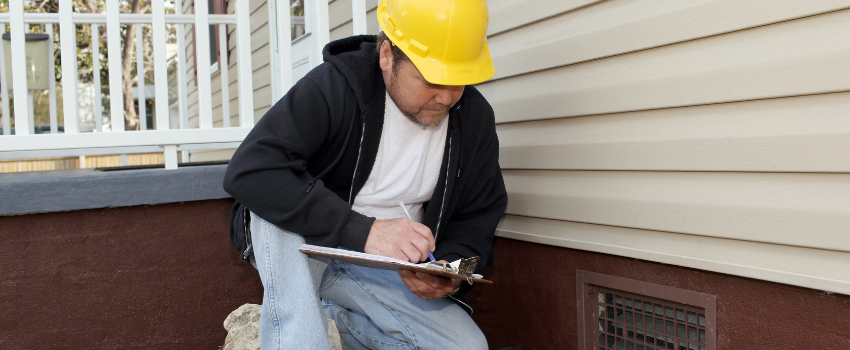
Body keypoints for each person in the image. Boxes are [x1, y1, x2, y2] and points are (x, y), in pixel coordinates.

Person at [223, 0, 506, 348]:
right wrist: (366, 230)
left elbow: (477, 213)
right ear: (387, 55)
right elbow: (251, 171)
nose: (446, 96)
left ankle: (333, 318)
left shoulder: (473, 117)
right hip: (305, 245)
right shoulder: (335, 87)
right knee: (274, 205)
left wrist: (450, 268)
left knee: (466, 347)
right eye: (432, 78)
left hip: (383, 267)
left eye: (459, 79)